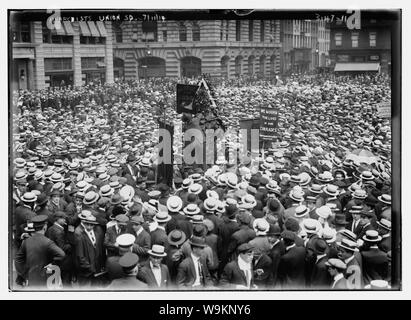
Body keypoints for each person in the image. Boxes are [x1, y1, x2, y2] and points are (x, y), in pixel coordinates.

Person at [15, 215, 65, 288]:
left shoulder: (26, 241)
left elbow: (18, 259)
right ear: (45, 227)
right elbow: (62, 255)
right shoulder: (48, 242)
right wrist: (52, 264)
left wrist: (23, 274)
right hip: (46, 280)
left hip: (31, 279)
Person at [73, 210, 105, 287]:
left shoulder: (98, 233)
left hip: (97, 269)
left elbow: (100, 249)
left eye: (91, 225)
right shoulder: (80, 237)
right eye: (87, 224)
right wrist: (89, 268)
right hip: (86, 271)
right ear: (84, 223)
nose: (89, 227)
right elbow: (80, 256)